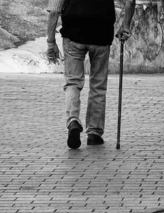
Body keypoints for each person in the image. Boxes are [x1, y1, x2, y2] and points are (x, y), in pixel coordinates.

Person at [46, 0, 136, 149]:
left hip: (73, 33)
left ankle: (73, 120)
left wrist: (50, 42)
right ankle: (94, 133)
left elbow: (54, 10)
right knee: (98, 85)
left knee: (73, 82)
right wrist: (126, 25)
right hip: (101, 34)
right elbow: (130, 2)